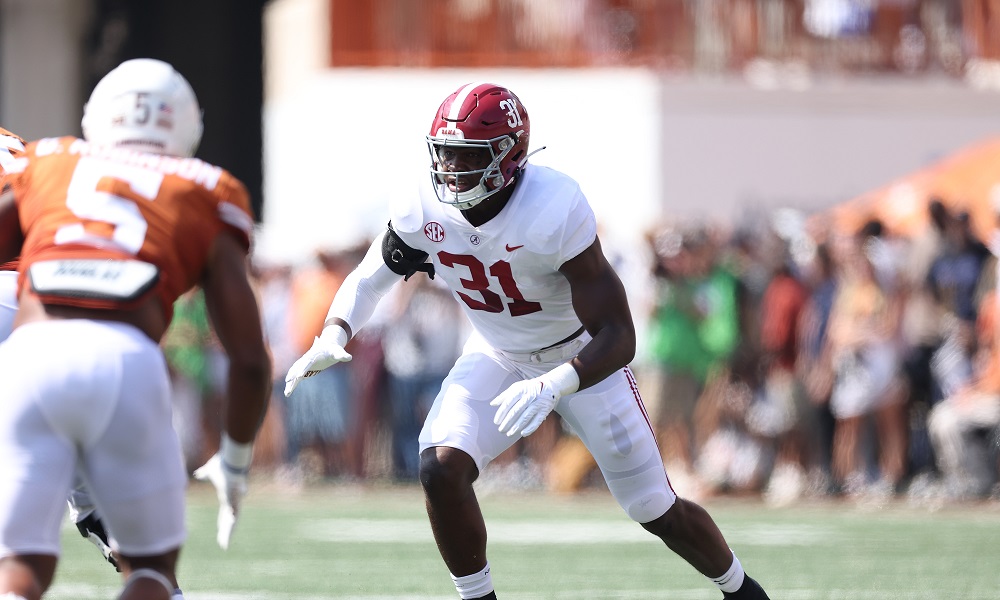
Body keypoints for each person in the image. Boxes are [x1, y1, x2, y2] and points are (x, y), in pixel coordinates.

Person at [285, 82, 770, 600]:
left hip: (580, 357)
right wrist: (334, 332)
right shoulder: (421, 202)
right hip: (498, 352)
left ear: (507, 157)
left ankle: (743, 591)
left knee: (654, 509)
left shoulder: (552, 206)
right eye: (443, 153)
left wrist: (558, 383)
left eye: (464, 156)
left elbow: (620, 336)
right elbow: (371, 275)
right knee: (439, 467)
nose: (448, 168)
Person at [0, 58, 271, 600]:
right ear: (188, 126)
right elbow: (248, 358)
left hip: (31, 352)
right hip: (124, 359)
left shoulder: (48, 160)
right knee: (150, 570)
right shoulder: (207, 187)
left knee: (20, 572)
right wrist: (237, 462)